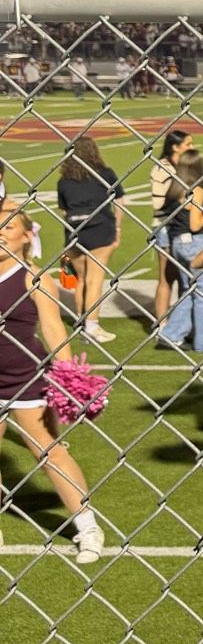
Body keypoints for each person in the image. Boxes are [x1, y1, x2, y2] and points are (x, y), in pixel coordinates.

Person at [0, 198, 106, 563]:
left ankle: (88, 527)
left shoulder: (34, 277)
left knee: (49, 452)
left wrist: (70, 379)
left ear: (26, 237)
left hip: (25, 378)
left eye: (9, 228)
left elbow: (52, 328)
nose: (0, 233)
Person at [56, 135, 122, 345]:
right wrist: (117, 227)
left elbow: (64, 208)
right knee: (95, 278)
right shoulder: (105, 173)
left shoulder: (64, 180)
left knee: (82, 279)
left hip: (74, 229)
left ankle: (83, 323)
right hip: (99, 227)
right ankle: (92, 326)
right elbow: (119, 201)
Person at [159, 152, 203, 355]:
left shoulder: (174, 187)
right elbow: (195, 224)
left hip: (177, 243)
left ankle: (172, 334)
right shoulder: (196, 189)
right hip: (196, 243)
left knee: (188, 291)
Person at [149, 129, 195, 333]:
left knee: (186, 275)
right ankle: (161, 322)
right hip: (166, 226)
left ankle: (181, 320)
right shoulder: (162, 168)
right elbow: (158, 202)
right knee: (167, 275)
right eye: (187, 144)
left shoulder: (186, 166)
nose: (191, 147)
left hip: (184, 226)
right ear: (175, 147)